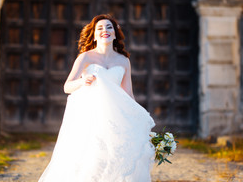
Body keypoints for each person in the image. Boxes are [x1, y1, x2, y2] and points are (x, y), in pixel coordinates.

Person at [38, 14, 155, 182]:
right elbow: (67, 87)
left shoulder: (123, 60)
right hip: (90, 116)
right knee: (90, 157)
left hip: (115, 117)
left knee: (114, 156)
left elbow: (128, 93)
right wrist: (82, 81)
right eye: (99, 28)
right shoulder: (85, 57)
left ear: (115, 33)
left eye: (109, 27)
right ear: (94, 35)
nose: (104, 30)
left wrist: (139, 117)